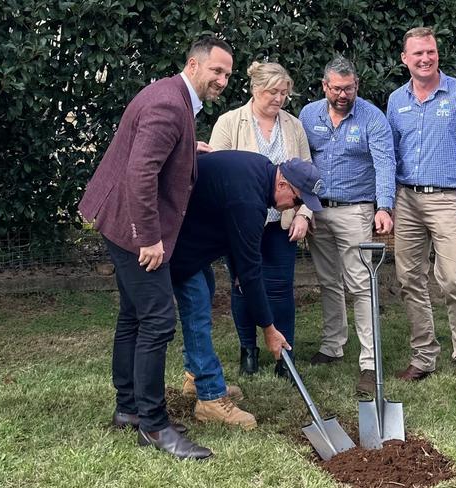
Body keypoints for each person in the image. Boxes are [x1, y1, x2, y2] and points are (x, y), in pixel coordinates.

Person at [78, 37, 233, 460]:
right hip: (133, 226)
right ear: (194, 65)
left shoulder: (171, 95)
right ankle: (153, 424)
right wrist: (148, 237)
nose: (222, 80)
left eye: (227, 74)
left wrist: (190, 152)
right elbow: (140, 174)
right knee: (159, 320)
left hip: (115, 216)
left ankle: (128, 409)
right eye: (216, 71)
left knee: (134, 315)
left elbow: (157, 155)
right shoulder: (169, 105)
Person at [170, 150, 323, 429]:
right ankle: (210, 399)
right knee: (197, 307)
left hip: (190, 238)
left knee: (205, 288)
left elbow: (238, 247)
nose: (293, 207)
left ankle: (195, 376)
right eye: (297, 200)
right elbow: (251, 272)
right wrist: (269, 328)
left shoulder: (258, 171)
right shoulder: (250, 199)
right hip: (175, 241)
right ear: (282, 185)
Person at [386, 27, 456, 404]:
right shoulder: (396, 100)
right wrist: (388, 202)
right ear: (405, 59)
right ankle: (424, 357)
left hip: (450, 200)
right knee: (409, 278)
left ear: (437, 54)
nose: (425, 58)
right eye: (417, 54)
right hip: (408, 199)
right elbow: (389, 155)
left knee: (453, 280)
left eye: (430, 51)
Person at [209, 61, 312, 379]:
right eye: (273, 92)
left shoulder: (293, 126)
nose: (279, 98)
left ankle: (286, 354)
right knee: (241, 286)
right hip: (240, 224)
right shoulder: (230, 122)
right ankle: (248, 350)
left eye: (284, 92)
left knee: (281, 288)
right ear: (255, 89)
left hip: (283, 221)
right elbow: (215, 170)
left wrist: (304, 214)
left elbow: (307, 173)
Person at [299, 56, 395, 396]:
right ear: (325, 86)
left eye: (349, 88)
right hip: (317, 210)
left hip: (356, 210)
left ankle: (369, 362)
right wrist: (301, 208)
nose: (343, 94)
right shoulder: (308, 115)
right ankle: (332, 345)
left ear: (357, 86)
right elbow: (300, 161)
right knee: (328, 281)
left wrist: (384, 207)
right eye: (337, 88)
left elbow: (385, 163)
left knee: (360, 283)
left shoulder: (372, 117)